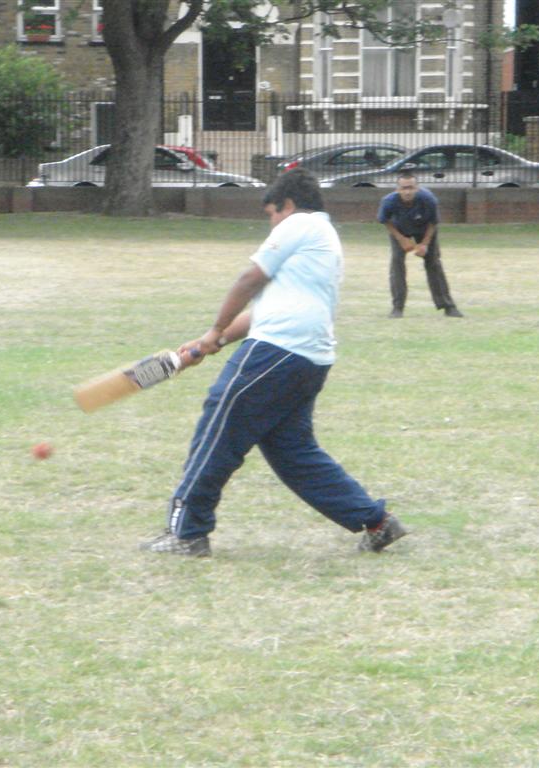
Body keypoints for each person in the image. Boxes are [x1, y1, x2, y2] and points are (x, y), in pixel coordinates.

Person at [141, 168, 407, 557]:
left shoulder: (300, 223)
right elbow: (263, 311)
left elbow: (249, 280)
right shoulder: (324, 239)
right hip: (309, 358)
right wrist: (209, 340)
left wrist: (215, 329)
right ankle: (376, 523)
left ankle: (187, 533)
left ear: (288, 205)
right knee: (293, 452)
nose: (271, 223)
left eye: (271, 214)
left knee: (219, 425)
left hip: (278, 351)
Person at [377, 172, 463, 318]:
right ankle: (397, 307)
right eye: (404, 188)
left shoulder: (428, 199)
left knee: (434, 263)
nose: (407, 192)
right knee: (397, 264)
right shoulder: (389, 201)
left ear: (417, 188)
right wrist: (401, 239)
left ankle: (448, 306)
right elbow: (385, 220)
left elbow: (433, 222)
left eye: (411, 188)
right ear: (397, 189)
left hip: (424, 229)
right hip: (400, 229)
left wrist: (424, 244)